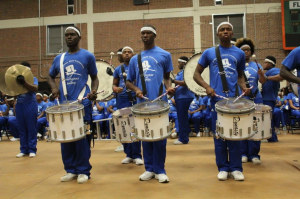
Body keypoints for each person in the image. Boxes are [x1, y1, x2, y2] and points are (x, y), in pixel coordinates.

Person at [193, 22, 250, 181]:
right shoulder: (209, 53)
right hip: (216, 101)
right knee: (219, 135)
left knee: (235, 134)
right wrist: (207, 86)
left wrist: (244, 87)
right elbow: (196, 74)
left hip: (234, 101)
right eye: (222, 30)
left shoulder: (239, 53)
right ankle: (223, 167)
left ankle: (236, 168)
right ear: (217, 34)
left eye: (228, 29)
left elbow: (240, 75)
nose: (225, 32)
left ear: (232, 33)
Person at [48, 26, 99, 184]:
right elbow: (50, 77)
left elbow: (95, 78)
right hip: (64, 105)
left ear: (79, 37)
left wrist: (94, 91)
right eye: (66, 35)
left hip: (83, 103)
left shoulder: (87, 56)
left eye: (72, 35)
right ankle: (70, 169)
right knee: (66, 137)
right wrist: (54, 88)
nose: (69, 37)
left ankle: (83, 170)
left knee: (82, 137)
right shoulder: (59, 58)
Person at [126, 25, 175, 183]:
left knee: (160, 137)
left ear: (155, 35)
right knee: (146, 135)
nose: (145, 35)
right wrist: (137, 89)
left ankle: (160, 169)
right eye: (143, 33)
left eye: (148, 33)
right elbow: (128, 82)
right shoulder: (135, 59)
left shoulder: (165, 55)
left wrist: (169, 88)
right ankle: (149, 169)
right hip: (143, 104)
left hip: (160, 102)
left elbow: (167, 77)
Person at [235, 37, 265, 165]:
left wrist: (262, 74)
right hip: (242, 99)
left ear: (251, 51)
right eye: (243, 50)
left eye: (248, 50)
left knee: (255, 126)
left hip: (255, 98)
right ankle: (242, 153)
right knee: (242, 126)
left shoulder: (257, 65)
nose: (246, 52)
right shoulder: (236, 65)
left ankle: (254, 154)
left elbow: (263, 81)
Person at [112, 46, 143, 165]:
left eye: (129, 52)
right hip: (122, 100)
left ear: (133, 55)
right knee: (124, 126)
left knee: (135, 127)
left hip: (135, 99)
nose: (127, 54)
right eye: (124, 52)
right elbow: (113, 85)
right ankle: (128, 154)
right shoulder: (118, 69)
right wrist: (116, 89)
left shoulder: (137, 67)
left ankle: (137, 155)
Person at [15, 61, 38, 158]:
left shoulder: (33, 78)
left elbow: (35, 88)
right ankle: (23, 149)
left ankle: (32, 149)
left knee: (31, 127)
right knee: (22, 128)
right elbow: (13, 92)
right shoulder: (16, 80)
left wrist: (24, 82)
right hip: (20, 104)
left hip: (30, 104)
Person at [172, 56, 195, 144]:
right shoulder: (181, 72)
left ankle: (183, 139)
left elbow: (186, 82)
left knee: (182, 118)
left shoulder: (186, 72)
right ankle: (183, 137)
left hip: (184, 97)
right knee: (182, 118)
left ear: (184, 63)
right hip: (180, 97)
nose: (178, 64)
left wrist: (173, 81)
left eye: (179, 62)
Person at [261, 56, 283, 142]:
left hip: (269, 98)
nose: (264, 64)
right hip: (267, 98)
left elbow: (281, 76)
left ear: (270, 64)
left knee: (268, 119)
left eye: (266, 62)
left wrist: (267, 78)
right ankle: (270, 136)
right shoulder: (268, 72)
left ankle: (272, 138)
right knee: (267, 118)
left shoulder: (274, 70)